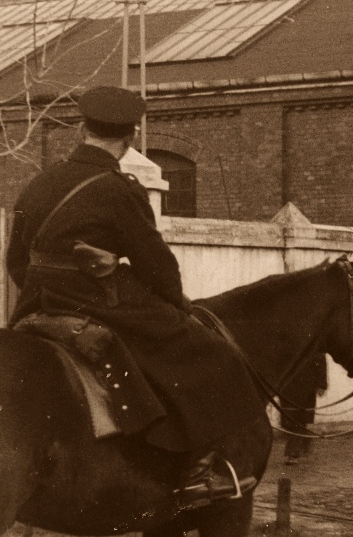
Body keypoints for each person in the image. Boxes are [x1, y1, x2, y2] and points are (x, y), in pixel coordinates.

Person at [5, 86, 266, 508]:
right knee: (208, 351)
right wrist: (175, 304)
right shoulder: (118, 188)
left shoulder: (38, 183)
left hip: (37, 303)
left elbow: (16, 258)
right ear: (130, 136)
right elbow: (157, 266)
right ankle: (199, 472)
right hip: (97, 301)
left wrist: (46, 291)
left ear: (81, 128)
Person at [279, 354, 329, 465]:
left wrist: (322, 384)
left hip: (307, 383)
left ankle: (293, 453)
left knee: (300, 418)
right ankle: (303, 444)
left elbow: (320, 357)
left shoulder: (312, 338)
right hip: (288, 383)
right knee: (289, 417)